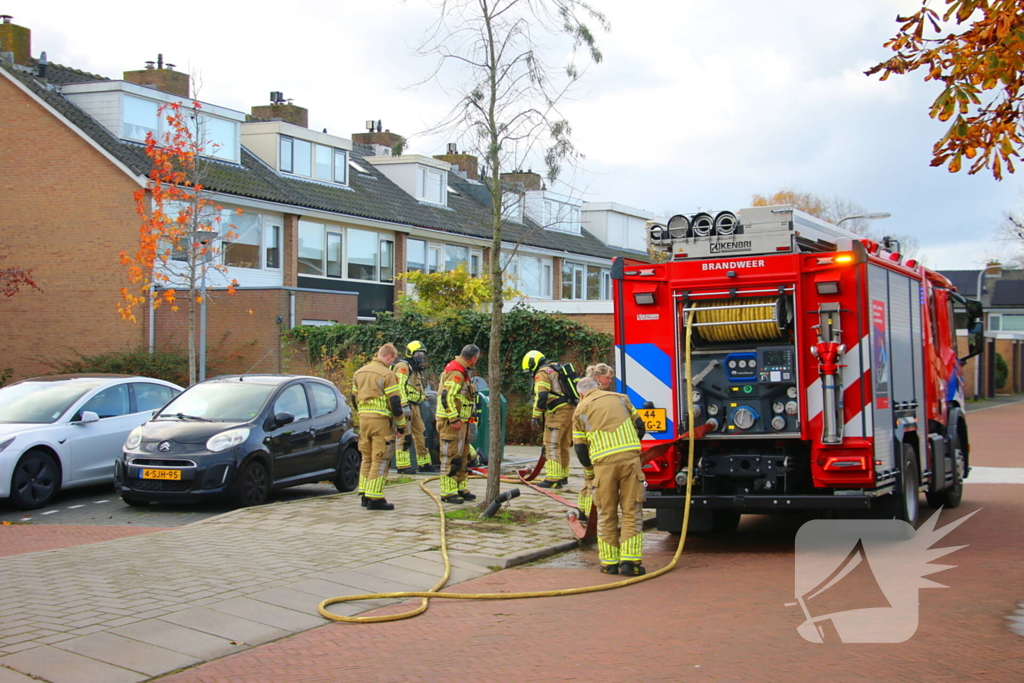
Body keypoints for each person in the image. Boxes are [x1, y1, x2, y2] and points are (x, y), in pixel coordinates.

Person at [572, 376, 648, 576]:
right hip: (630, 461)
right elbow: (641, 427)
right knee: (632, 510)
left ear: (581, 393)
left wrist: (590, 475)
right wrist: (632, 449)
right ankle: (631, 563)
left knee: (606, 513)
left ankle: (609, 564)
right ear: (598, 386)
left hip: (603, 466)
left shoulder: (579, 410)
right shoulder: (622, 398)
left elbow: (580, 450)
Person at [352, 343, 409, 511]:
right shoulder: (387, 374)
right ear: (390, 357)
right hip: (381, 422)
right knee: (381, 457)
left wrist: (363, 413)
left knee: (367, 457)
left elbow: (353, 398)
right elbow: (395, 402)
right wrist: (400, 426)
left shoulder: (359, 372)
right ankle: (375, 497)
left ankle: (364, 492)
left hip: (363, 420)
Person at [436, 344, 481, 503]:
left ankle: (461, 487)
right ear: (473, 358)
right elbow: (447, 396)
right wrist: (453, 418)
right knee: (450, 456)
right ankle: (447, 492)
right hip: (452, 423)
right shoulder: (456, 372)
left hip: (462, 422)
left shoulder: (462, 370)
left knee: (463, 456)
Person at [522, 350, 573, 489]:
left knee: (551, 444)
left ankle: (553, 478)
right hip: (571, 410)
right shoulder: (557, 367)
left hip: (557, 412)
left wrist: (535, 416)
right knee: (563, 444)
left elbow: (542, 396)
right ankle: (563, 476)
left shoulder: (542, 373)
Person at [577, 363, 617, 517]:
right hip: (594, 443)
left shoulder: (587, 392)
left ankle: (582, 509)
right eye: (608, 378)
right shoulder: (596, 396)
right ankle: (588, 513)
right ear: (599, 378)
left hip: (592, 442)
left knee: (589, 479)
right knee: (592, 479)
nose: (610, 381)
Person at [393, 341, 434, 473]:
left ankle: (424, 463)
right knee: (405, 436)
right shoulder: (403, 367)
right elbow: (399, 387)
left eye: (422, 353)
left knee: (422, 434)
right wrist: (403, 405)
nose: (421, 356)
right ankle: (403, 466)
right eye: (418, 353)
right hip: (406, 407)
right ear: (411, 353)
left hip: (416, 406)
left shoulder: (417, 370)